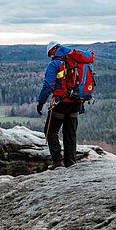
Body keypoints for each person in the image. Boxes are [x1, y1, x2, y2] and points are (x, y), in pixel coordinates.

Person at [37, 41, 83, 170]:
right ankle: (71, 162)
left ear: (52, 51)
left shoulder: (54, 64)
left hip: (61, 103)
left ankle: (57, 161)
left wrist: (41, 102)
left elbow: (47, 86)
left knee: (50, 131)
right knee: (70, 133)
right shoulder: (75, 61)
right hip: (77, 102)